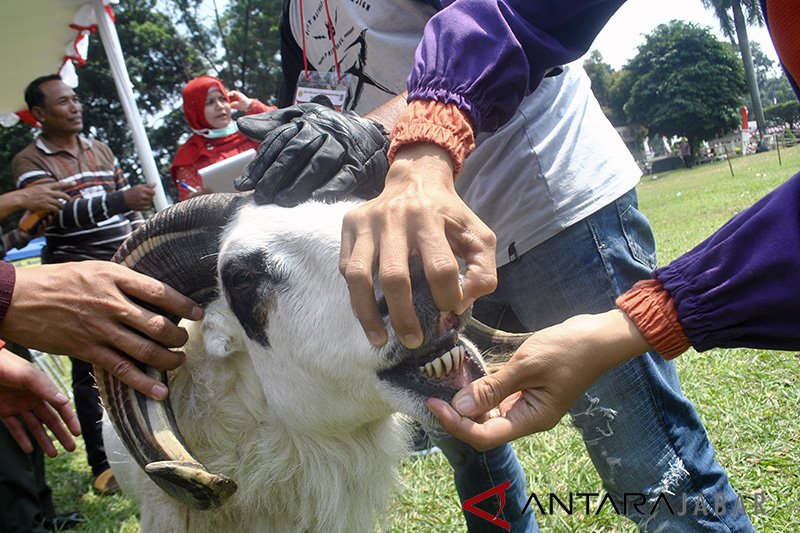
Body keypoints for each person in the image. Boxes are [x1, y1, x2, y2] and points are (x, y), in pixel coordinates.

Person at [234, 1, 753, 530]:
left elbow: (516, 19)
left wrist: (377, 133)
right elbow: (311, 115)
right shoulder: (295, 14)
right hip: (419, 249)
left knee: (649, 460)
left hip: (548, 200)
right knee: (471, 447)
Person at [428, 0, 800, 448]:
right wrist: (431, 134)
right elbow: (524, 15)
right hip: (458, 226)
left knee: (655, 463)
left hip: (558, 199)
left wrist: (425, 137)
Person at [12, 73, 157, 496]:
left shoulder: (101, 148)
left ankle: (156, 442)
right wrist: (120, 200)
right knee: (90, 365)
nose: (75, 106)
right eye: (63, 102)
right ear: (39, 114)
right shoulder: (28, 161)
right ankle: (105, 463)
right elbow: (54, 213)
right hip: (73, 272)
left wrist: (140, 235)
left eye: (75, 99)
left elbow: (126, 210)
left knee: (145, 350)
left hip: (119, 263)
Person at [170, 75, 274, 200]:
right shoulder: (189, 156)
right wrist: (196, 202)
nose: (220, 106)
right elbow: (188, 206)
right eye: (209, 102)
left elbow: (292, 126)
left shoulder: (253, 129)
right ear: (195, 110)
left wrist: (250, 105)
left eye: (222, 99)